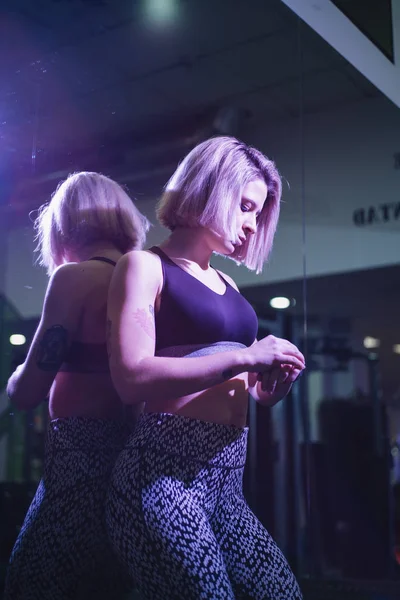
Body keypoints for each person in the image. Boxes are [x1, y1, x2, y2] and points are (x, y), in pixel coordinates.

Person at [105, 136, 305, 599]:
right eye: (247, 207)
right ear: (212, 189)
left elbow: (244, 386)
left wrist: (267, 388)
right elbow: (131, 378)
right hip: (162, 475)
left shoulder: (227, 282)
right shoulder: (145, 267)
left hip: (226, 483)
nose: (253, 225)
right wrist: (244, 356)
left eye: (259, 214)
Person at [4, 171, 149, 600]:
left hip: (77, 459)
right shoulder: (144, 279)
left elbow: (28, 390)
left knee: (33, 581)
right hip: (130, 456)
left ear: (64, 222)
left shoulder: (73, 279)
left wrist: (14, 376)